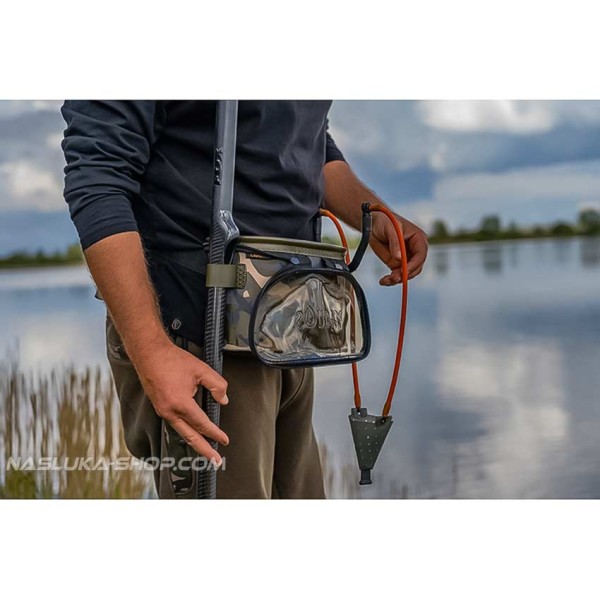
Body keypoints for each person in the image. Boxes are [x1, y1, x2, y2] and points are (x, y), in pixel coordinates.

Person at [61, 101, 428, 499]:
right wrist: (152, 353)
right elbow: (98, 177)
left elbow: (308, 141)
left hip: (289, 329)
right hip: (200, 337)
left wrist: (374, 216)